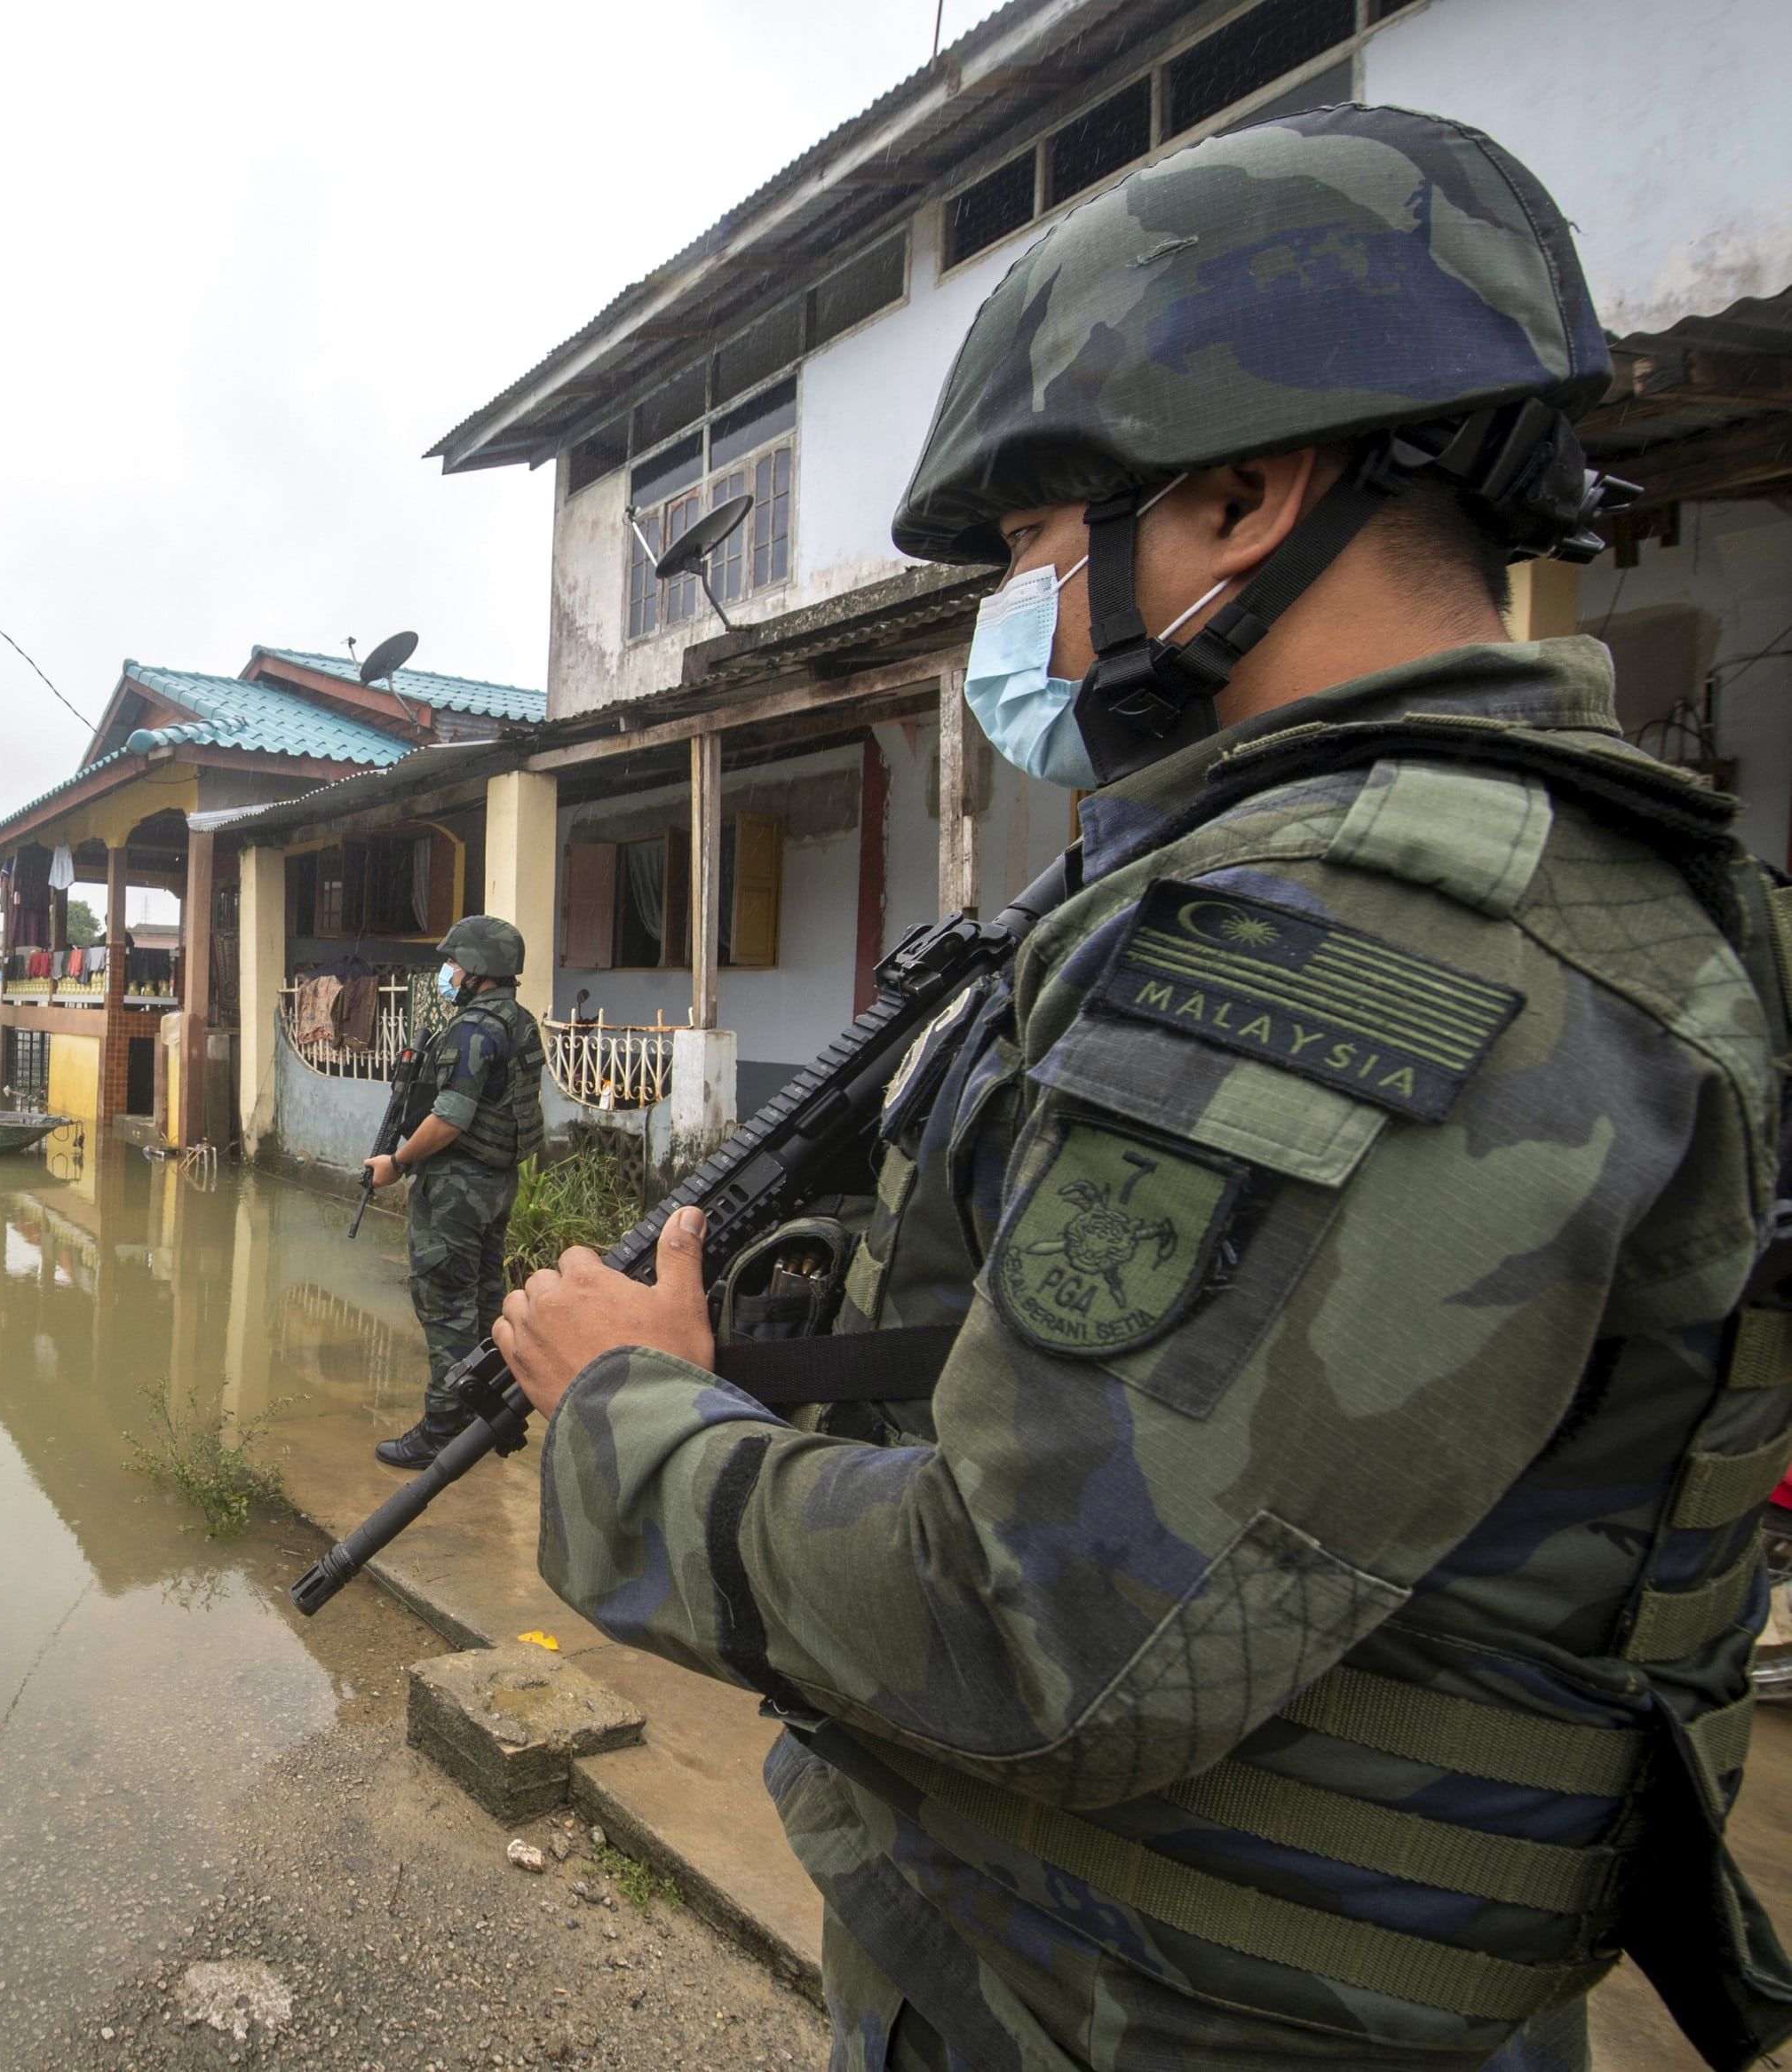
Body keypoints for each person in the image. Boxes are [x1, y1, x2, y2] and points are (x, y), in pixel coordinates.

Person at [496, 104, 1792, 2072]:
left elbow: (1033, 1628)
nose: (1016, 609)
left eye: (1032, 543)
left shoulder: (1352, 940)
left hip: (1148, 2012)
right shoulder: (1513, 884)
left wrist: (626, 1415)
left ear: (1246, 497)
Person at [369, 913, 546, 1470]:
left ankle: (443, 1428)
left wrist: (395, 1162)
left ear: (478, 971)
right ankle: (483, 1413)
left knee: (445, 1303)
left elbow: (449, 1119)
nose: (446, 972)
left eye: (453, 963)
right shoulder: (519, 1022)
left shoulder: (473, 1030)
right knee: (482, 1302)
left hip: (457, 1187)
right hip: (497, 1182)